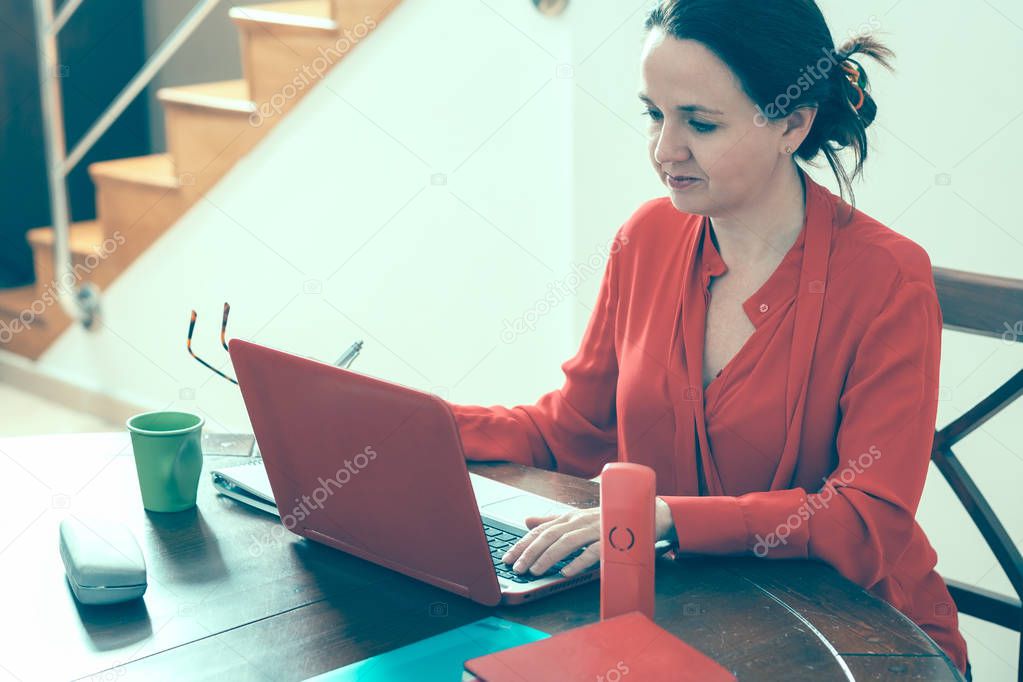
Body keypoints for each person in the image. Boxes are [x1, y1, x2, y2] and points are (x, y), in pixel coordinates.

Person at [448, 0, 970, 678]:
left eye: (699, 122)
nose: (666, 150)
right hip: (685, 620)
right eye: (653, 114)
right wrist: (420, 428)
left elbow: (865, 520)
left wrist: (668, 518)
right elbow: (573, 429)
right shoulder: (647, 236)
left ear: (791, 123)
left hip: (859, 641)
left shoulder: (887, 277)